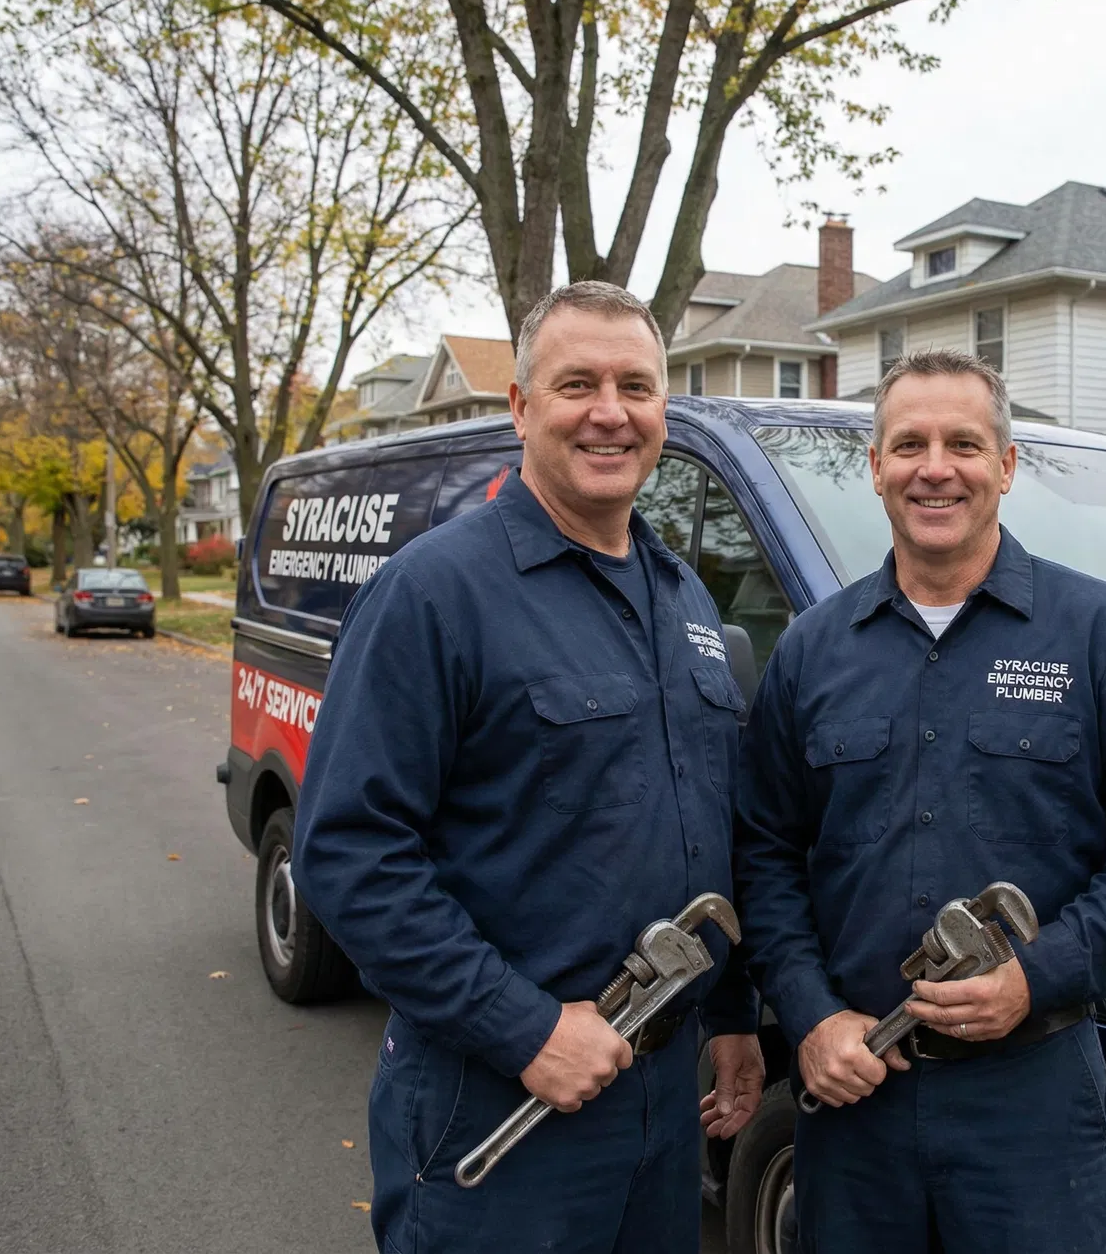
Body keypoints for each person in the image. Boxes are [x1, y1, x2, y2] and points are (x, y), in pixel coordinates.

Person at [294, 282, 763, 1254]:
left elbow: (707, 827)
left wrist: (729, 1010)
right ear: (519, 406)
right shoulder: (433, 592)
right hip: (499, 1100)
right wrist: (525, 1028)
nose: (609, 410)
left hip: (660, 1105)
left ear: (663, 410)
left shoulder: (682, 597)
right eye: (576, 383)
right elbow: (348, 851)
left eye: (636, 385)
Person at [733, 348, 1106, 1252]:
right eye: (909, 443)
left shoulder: (1101, 633)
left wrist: (1037, 977)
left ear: (1005, 465)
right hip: (855, 1098)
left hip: (1030, 1100)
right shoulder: (812, 651)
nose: (935, 468)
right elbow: (764, 851)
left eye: (963, 442)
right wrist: (807, 1014)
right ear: (874, 466)